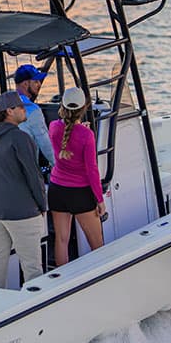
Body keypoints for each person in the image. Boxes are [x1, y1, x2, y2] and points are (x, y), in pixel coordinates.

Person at [0, 90, 47, 289]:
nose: (25, 111)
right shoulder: (20, 138)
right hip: (21, 212)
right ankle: (35, 308)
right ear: (10, 111)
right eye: (21, 107)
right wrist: (42, 205)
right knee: (32, 266)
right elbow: (34, 176)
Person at [47, 87, 106, 266]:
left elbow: (67, 137)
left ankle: (62, 283)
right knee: (97, 244)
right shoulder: (87, 135)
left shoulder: (53, 127)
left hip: (57, 190)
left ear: (62, 106)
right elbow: (92, 170)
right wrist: (100, 200)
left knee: (61, 240)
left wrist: (80, 129)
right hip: (80, 193)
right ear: (83, 108)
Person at [12, 63, 56, 171]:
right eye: (35, 81)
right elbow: (46, 146)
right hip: (25, 171)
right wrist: (62, 168)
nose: (39, 84)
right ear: (26, 83)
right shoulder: (33, 111)